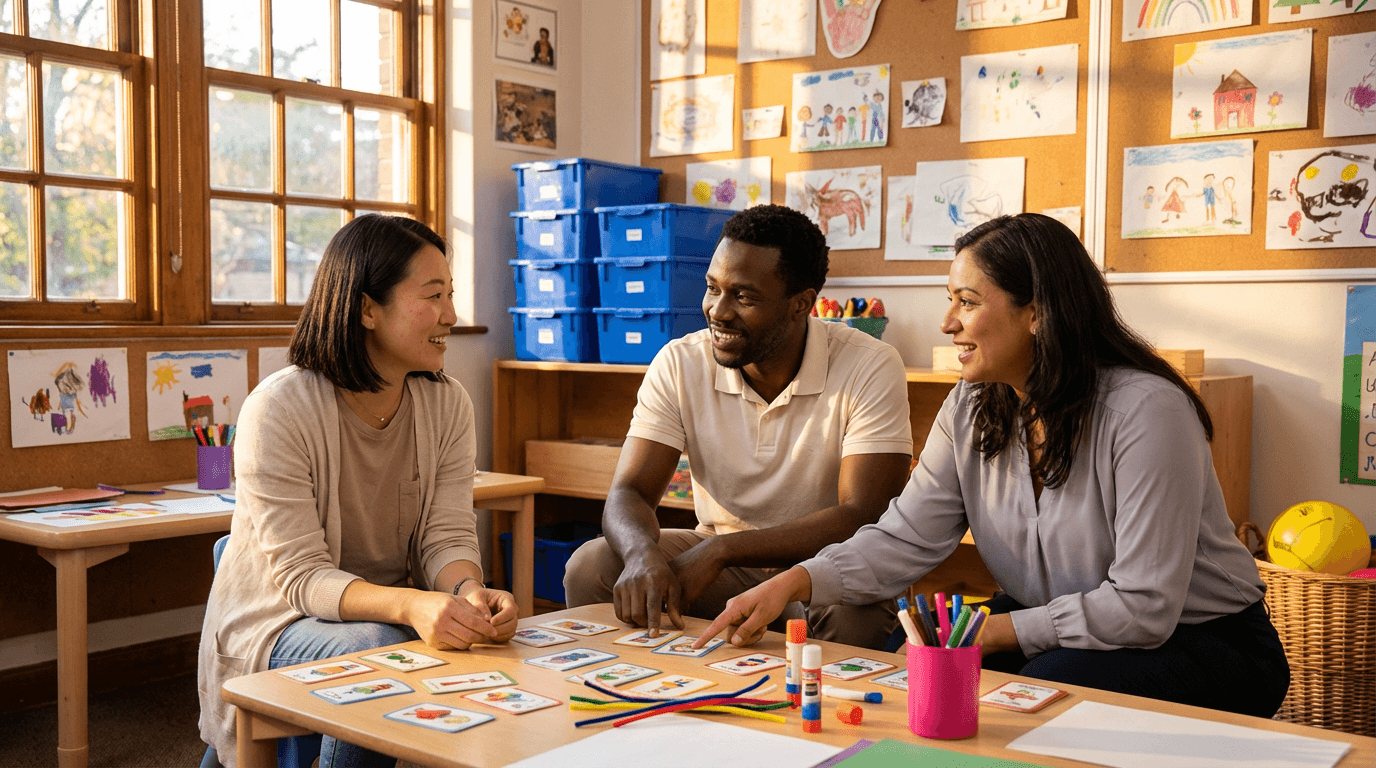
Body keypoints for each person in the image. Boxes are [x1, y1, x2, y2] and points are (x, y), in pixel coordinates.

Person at [698, 213, 1290, 718]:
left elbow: (1143, 607)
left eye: (967, 302)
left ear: (1038, 312)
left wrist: (990, 633)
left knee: (1035, 688)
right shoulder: (973, 403)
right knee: (916, 671)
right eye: (948, 301)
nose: (947, 322)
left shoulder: (1146, 410)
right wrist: (796, 581)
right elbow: (907, 536)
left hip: (1206, 645)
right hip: (1062, 628)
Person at [197, 215, 518, 768]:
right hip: (274, 622)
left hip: (385, 615)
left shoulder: (448, 404)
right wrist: (415, 605)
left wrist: (467, 589)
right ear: (368, 309)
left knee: (410, 640)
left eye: (452, 295)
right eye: (433, 296)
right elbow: (301, 579)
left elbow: (445, 533)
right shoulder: (279, 408)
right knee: (380, 649)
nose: (451, 315)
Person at [562, 204, 913, 650]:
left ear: (800, 304)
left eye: (743, 297)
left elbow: (861, 515)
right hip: (724, 569)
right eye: (713, 288)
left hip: (823, 566)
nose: (718, 311)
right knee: (592, 565)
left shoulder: (869, 364)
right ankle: (640, 695)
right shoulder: (679, 361)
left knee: (854, 617)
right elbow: (629, 491)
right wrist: (641, 555)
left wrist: (723, 549)